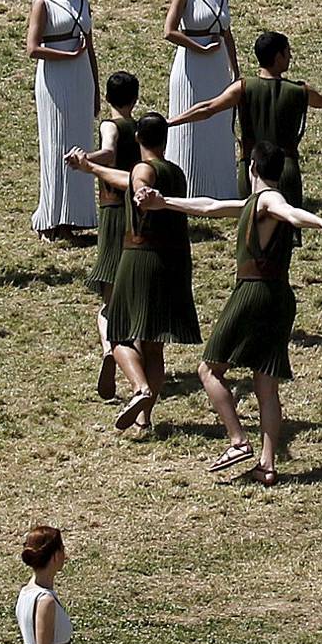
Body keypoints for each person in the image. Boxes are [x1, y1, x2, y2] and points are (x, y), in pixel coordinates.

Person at [195, 144, 322, 487]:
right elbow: (209, 206)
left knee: (209, 369)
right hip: (280, 296)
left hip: (253, 292)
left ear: (251, 168)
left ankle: (237, 441)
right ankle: (267, 465)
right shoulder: (253, 205)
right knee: (266, 382)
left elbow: (290, 212)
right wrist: (165, 202)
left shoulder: (267, 200)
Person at [72, 113, 199, 436]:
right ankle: (144, 419)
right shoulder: (176, 172)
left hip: (140, 257)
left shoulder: (144, 170)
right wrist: (91, 168)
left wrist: (142, 194)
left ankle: (139, 387)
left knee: (118, 332)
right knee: (154, 344)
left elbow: (137, 181)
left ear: (139, 138)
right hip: (174, 260)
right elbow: (124, 179)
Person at [168, 28, 322, 209]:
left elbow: (207, 108)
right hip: (285, 169)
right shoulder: (299, 91)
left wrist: (171, 122)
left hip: (252, 169)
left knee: (251, 229)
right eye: (287, 52)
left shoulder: (242, 88)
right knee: (287, 232)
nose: (290, 57)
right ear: (278, 57)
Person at [26, 0, 99, 240]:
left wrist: (95, 86)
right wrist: (66, 56)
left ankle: (76, 216)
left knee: (80, 143)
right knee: (56, 143)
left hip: (80, 79)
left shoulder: (82, 2)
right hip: (55, 81)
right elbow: (32, 48)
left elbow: (90, 48)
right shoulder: (42, 3)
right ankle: (52, 218)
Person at [79, 70, 143, 398]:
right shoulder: (142, 128)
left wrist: (86, 161)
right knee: (131, 294)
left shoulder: (111, 125)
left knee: (108, 300)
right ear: (135, 97)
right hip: (138, 214)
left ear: (107, 97)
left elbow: (109, 152)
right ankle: (134, 353)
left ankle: (110, 349)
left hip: (112, 213)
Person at [163, 0, 240, 201]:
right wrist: (199, 47)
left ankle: (219, 189)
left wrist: (235, 70)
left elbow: (227, 33)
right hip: (191, 67)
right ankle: (185, 187)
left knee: (218, 123)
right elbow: (170, 31)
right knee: (191, 124)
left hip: (218, 67)